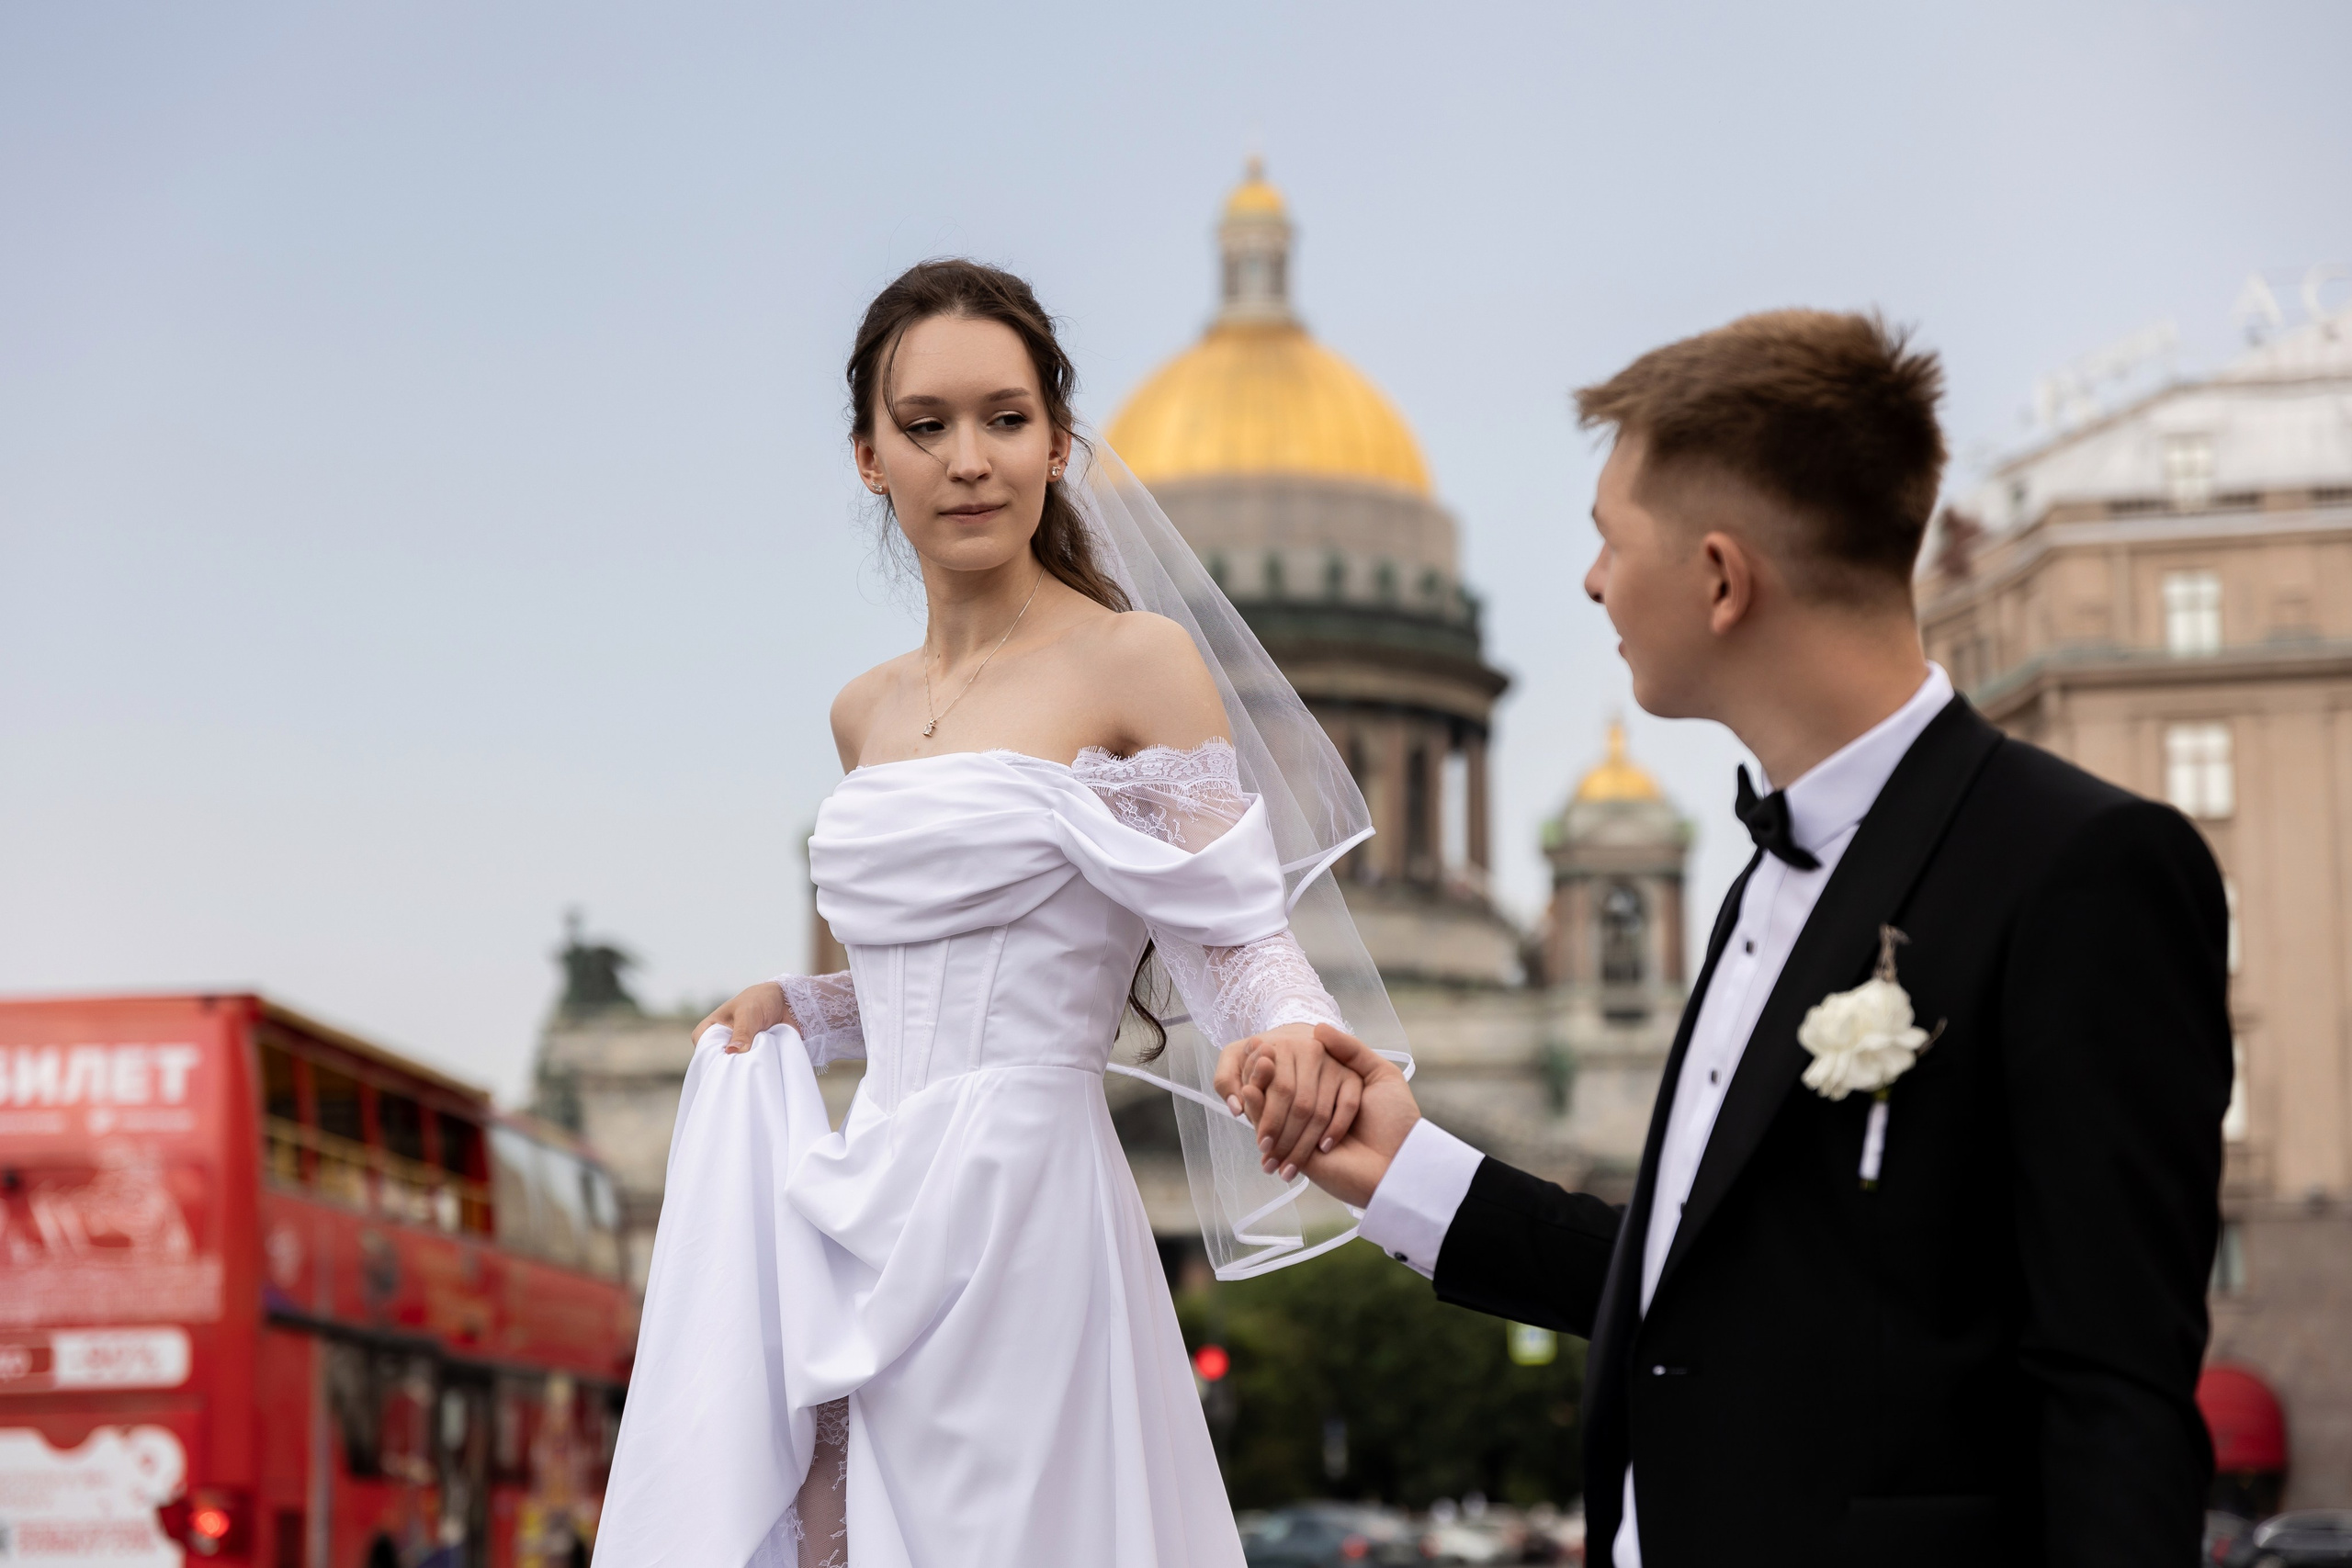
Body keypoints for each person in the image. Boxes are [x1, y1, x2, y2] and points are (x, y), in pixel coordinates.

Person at [1225, 311, 2233, 1567]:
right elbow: (1707, 1296)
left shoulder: (2083, 871)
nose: (1592, 582)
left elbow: (2116, 1397)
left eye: (1609, 539)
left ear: (1720, 576)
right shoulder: (1769, 876)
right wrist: (1410, 1170)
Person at [596, 259, 1397, 1568]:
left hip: (1030, 1212)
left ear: (1059, 444)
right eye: (926, 426)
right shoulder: (862, 709)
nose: (969, 460)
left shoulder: (1137, 659)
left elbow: (1232, 934)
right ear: (869, 458)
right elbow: (949, 959)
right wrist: (797, 1007)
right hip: (870, 1198)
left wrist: (1296, 1030)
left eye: (1005, 420)